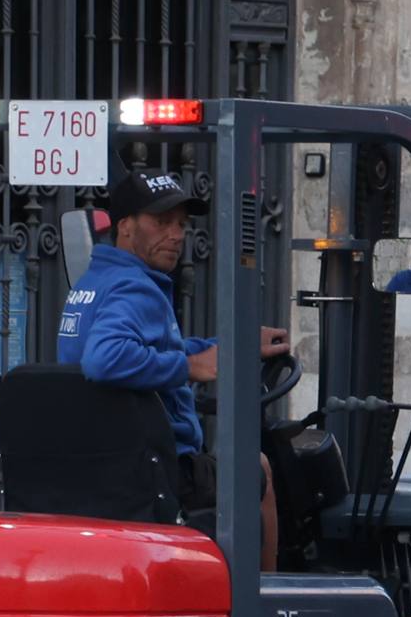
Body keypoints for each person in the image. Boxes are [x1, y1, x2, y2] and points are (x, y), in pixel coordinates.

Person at [58, 168, 284, 570]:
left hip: (105, 463)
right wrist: (189, 366)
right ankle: (263, 604)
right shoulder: (137, 286)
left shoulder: (94, 282)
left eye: (181, 224)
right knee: (260, 467)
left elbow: (155, 347)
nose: (177, 234)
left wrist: (231, 347)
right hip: (157, 470)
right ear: (126, 227)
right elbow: (104, 358)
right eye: (161, 222)